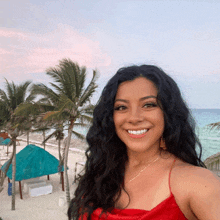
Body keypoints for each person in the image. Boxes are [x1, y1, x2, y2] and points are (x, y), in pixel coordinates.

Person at [68, 65, 220, 220]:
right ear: (110, 117)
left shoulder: (198, 184)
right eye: (121, 107)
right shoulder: (101, 172)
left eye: (148, 105)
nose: (134, 118)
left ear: (167, 112)